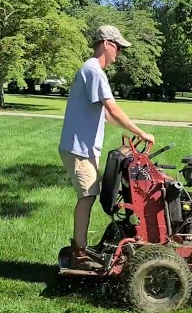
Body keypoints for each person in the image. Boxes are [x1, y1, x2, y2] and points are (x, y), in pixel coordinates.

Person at [59, 25, 155, 269]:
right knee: (88, 196)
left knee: (89, 195)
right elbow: (112, 108)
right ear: (107, 43)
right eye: (119, 48)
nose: (119, 53)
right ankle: (78, 253)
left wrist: (129, 132)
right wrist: (140, 132)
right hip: (79, 149)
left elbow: (105, 115)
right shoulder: (94, 71)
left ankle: (79, 248)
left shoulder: (91, 70)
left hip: (83, 148)